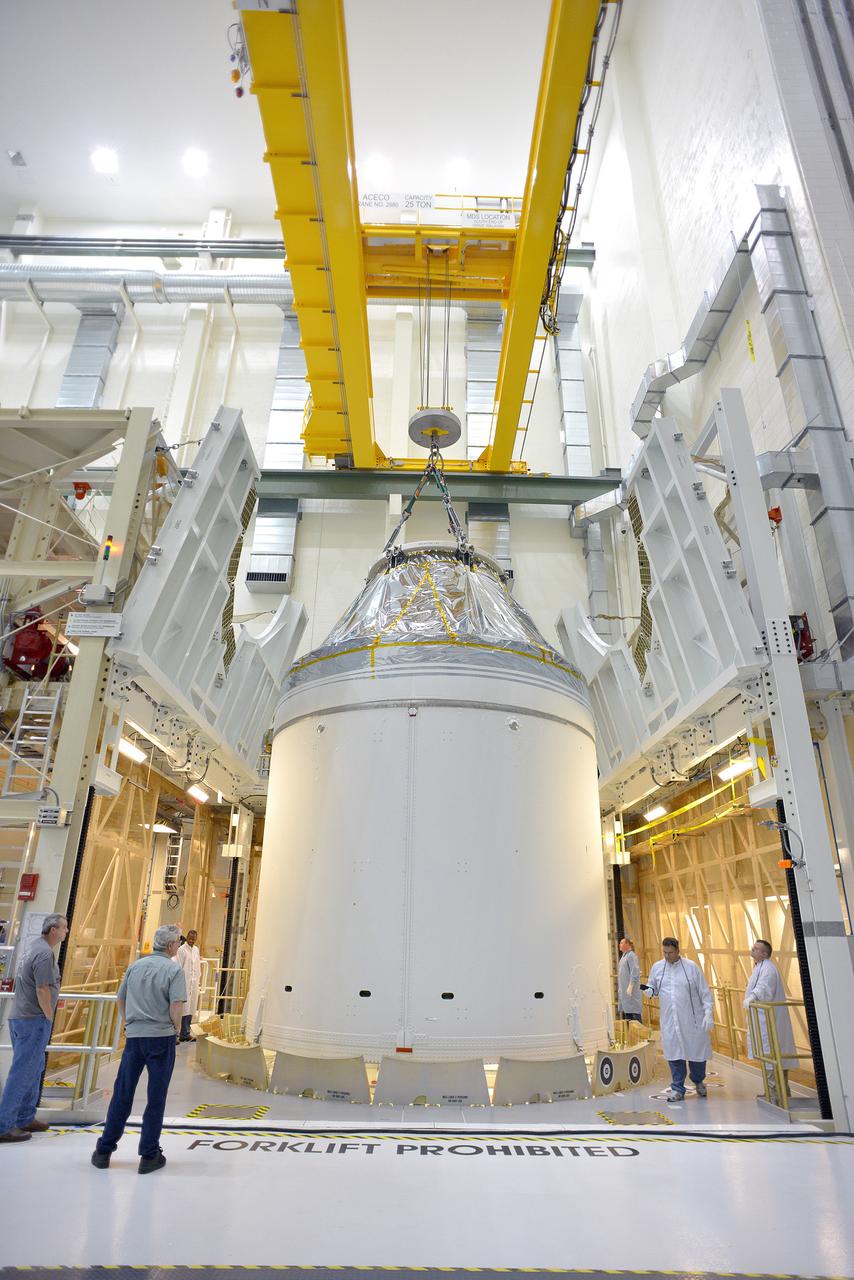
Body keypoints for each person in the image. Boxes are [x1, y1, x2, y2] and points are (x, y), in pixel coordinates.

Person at [91, 923, 186, 1174]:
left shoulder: (135, 966)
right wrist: (175, 1029)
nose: (179, 945)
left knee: (122, 1093)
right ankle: (149, 1154)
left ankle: (104, 1150)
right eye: (178, 941)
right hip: (161, 1038)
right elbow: (176, 1005)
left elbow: (120, 999)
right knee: (156, 1097)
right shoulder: (173, 970)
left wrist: (128, 1023)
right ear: (170, 945)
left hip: (134, 1038)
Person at [0, 913, 68, 1144]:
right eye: (63, 928)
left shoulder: (34, 947)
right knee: (22, 1072)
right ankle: (4, 1125)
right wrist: (48, 1016)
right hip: (33, 1020)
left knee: (35, 1066)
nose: (66, 932)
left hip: (21, 1017)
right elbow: (42, 989)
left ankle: (25, 1117)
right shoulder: (44, 953)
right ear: (53, 931)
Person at [643, 936, 714, 1101]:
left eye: (670, 953)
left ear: (678, 951)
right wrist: (645, 989)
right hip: (670, 1020)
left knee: (696, 1054)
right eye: (665, 952)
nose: (667, 956)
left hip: (692, 1020)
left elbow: (704, 991)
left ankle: (698, 1081)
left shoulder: (691, 968)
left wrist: (708, 1012)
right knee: (674, 1053)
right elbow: (651, 985)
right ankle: (677, 1088)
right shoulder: (658, 967)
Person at [744, 938, 798, 1105]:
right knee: (771, 1057)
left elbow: (764, 988)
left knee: (772, 1057)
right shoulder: (760, 967)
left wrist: (752, 997)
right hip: (764, 1022)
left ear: (764, 953)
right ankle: (776, 1094)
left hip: (769, 1023)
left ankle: (776, 1096)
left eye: (757, 948)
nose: (753, 949)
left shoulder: (768, 968)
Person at [176, 928, 201, 1042]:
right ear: (187, 937)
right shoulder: (181, 950)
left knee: (190, 1008)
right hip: (184, 982)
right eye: (190, 938)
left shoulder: (196, 950)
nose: (191, 941)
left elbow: (197, 966)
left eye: (194, 939)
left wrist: (197, 980)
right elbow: (179, 966)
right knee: (182, 1008)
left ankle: (186, 1033)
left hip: (193, 983)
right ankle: (177, 1034)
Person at [617, 936, 642, 1023]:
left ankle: (641, 1036)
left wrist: (631, 986)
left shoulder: (631, 956)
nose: (619, 944)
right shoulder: (623, 957)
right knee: (628, 1016)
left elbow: (634, 972)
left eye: (621, 942)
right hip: (625, 992)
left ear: (627, 944)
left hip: (631, 993)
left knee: (635, 1016)